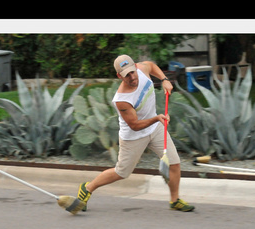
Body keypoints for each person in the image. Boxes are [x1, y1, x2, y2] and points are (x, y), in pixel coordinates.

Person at [76, 55, 194, 212]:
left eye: (133, 72)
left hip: (155, 127)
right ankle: (87, 188)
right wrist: (157, 118)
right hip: (134, 136)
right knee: (122, 172)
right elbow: (135, 125)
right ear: (119, 76)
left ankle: (174, 200)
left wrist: (164, 79)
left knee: (174, 163)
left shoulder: (142, 70)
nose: (132, 77)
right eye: (127, 75)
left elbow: (151, 65)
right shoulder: (122, 99)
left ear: (136, 67)